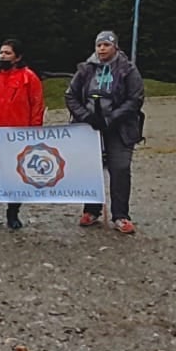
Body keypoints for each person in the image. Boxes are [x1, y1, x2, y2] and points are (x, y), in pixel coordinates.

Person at [64, 31, 145, 234]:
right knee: (92, 169)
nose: (102, 49)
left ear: (115, 47)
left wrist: (112, 118)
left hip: (120, 128)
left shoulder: (128, 69)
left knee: (120, 169)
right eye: (99, 45)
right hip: (90, 128)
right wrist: (86, 116)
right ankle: (91, 210)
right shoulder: (85, 69)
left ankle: (121, 215)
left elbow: (135, 99)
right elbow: (71, 95)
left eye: (106, 45)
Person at [0, 38, 45, 229]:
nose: (2, 56)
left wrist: (33, 133)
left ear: (17, 56)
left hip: (18, 136)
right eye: (1, 52)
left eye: (7, 53)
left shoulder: (29, 77)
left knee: (17, 175)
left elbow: (37, 106)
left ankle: (13, 212)